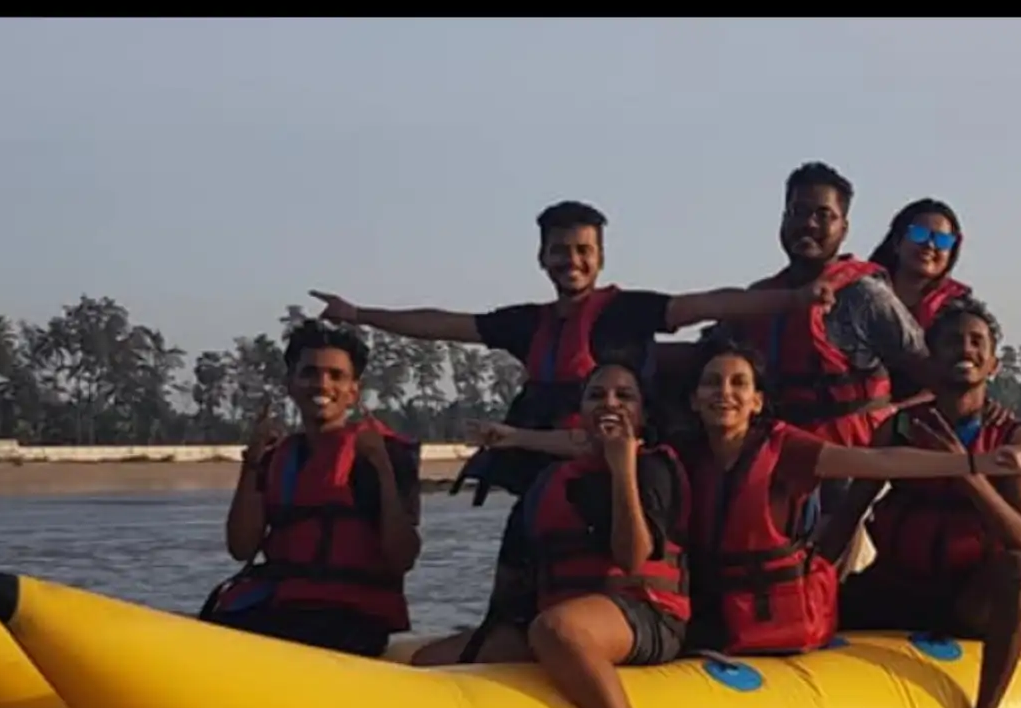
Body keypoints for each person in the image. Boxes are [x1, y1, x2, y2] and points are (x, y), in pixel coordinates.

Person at [0, 321, 421, 708]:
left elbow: (401, 557)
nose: (321, 386)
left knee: (167, 685)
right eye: (310, 373)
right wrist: (250, 465)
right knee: (121, 675)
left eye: (335, 376)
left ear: (354, 390)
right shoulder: (276, 456)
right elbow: (241, 545)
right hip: (277, 611)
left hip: (347, 620)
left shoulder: (385, 455)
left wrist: (377, 471)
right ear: (291, 383)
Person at [307, 199, 832, 504]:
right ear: (543, 257)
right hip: (544, 477)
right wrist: (360, 315)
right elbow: (441, 323)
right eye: (560, 251)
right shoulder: (526, 323)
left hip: (617, 475)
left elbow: (711, 303)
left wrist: (795, 297)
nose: (572, 261)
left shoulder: (630, 311)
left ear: (600, 257)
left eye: (583, 251)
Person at [412, 362, 689, 708]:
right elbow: (514, 578)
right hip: (561, 615)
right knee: (429, 664)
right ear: (579, 412)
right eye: (597, 395)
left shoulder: (653, 469)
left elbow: (633, 558)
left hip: (646, 612)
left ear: (642, 413)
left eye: (625, 396)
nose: (610, 404)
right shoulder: (550, 483)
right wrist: (490, 639)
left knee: (558, 631)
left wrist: (623, 469)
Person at [668, 334, 1021, 657]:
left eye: (739, 384)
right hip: (716, 609)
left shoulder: (785, 450)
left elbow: (878, 462)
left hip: (771, 621)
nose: (724, 393)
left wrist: (971, 464)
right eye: (712, 383)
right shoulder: (682, 458)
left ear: (758, 401)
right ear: (694, 399)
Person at [670, 162, 937, 575]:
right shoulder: (761, 301)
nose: (807, 224)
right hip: (783, 469)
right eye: (797, 212)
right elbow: (700, 356)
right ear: (783, 220)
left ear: (843, 228)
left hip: (853, 475)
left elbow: (929, 375)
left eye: (822, 215)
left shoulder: (867, 297)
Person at [830, 296, 1021, 708]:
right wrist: (809, 582)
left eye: (975, 342)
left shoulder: (1013, 438)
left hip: (966, 599)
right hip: (898, 585)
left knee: (1014, 571)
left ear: (993, 365)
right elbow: (849, 512)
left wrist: (963, 469)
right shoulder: (900, 429)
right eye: (951, 342)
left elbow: (1020, 536)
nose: (964, 349)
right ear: (932, 358)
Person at [868, 198, 973, 334]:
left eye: (942, 240)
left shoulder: (958, 308)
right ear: (897, 241)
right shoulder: (860, 291)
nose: (930, 245)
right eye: (919, 234)